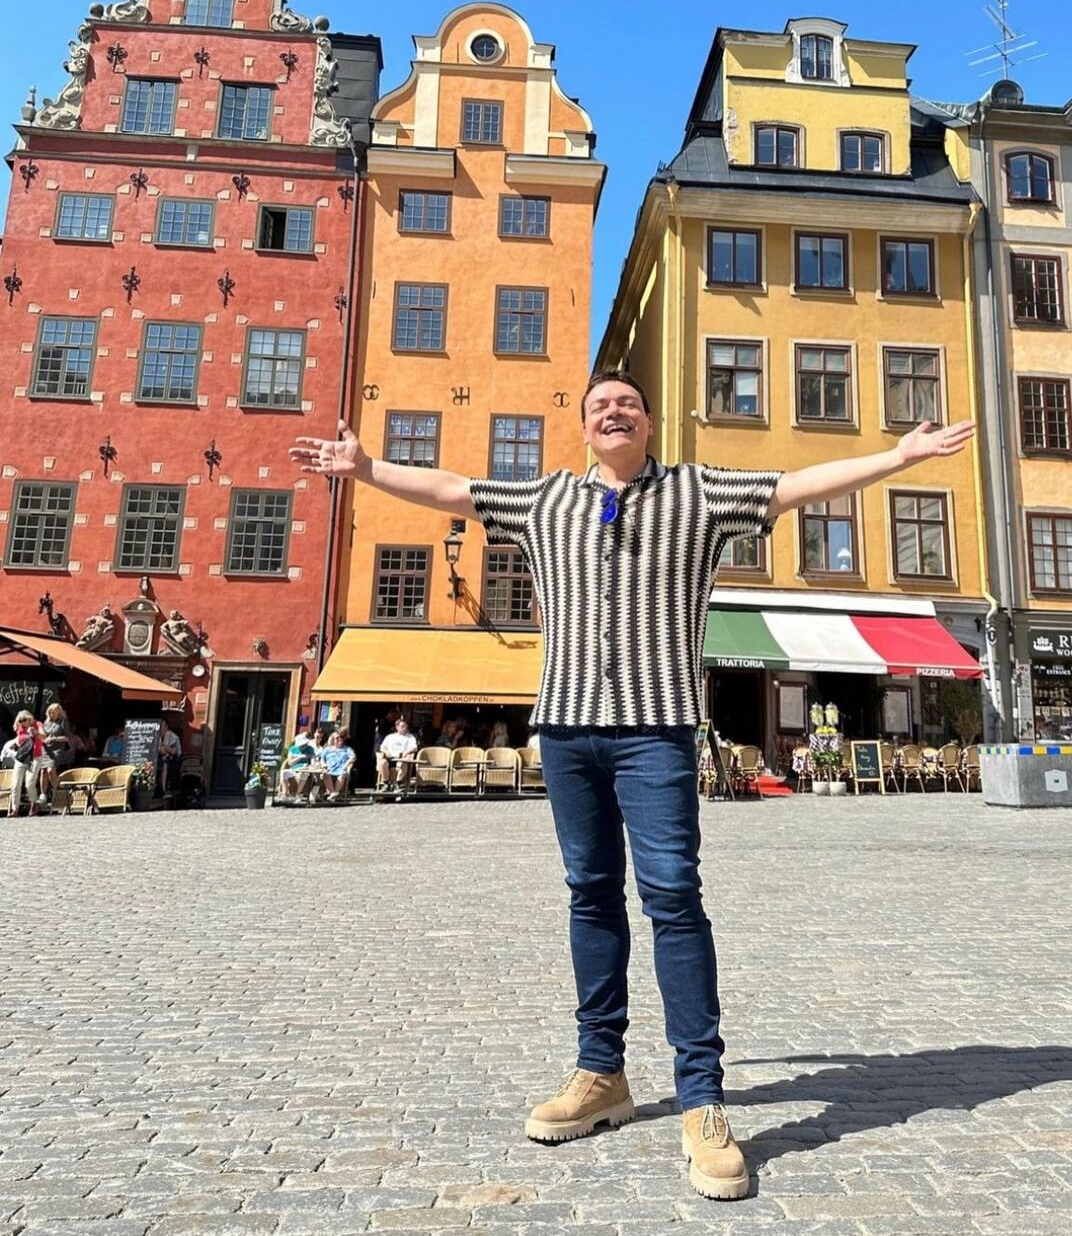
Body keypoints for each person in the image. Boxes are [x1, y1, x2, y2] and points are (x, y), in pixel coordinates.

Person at [290, 371, 974, 1201]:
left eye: (628, 404)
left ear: (649, 422)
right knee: (589, 894)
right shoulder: (545, 499)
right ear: (584, 428)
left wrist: (895, 458)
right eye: (599, 406)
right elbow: (450, 488)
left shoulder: (698, 493)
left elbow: (795, 484)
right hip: (569, 728)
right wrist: (366, 470)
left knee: (674, 899)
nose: (614, 412)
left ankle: (702, 1100)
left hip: (657, 729)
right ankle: (601, 1073)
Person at [376, 717, 418, 791]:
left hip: (402, 758)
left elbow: (415, 747)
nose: (404, 728)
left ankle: (398, 784)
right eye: (402, 726)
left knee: (403, 764)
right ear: (397, 727)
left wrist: (406, 753)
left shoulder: (410, 737)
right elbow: (382, 747)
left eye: (405, 726)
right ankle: (386, 783)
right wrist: (386, 752)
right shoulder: (390, 737)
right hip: (390, 757)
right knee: (382, 763)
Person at [280, 724, 318, 801]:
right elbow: (290, 763)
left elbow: (313, 759)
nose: (304, 746)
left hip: (305, 769)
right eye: (302, 745)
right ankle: (285, 793)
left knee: (303, 774)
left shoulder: (310, 749)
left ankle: (298, 794)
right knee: (283, 773)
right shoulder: (292, 749)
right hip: (294, 769)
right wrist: (300, 757)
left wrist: (312, 764)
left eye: (305, 744)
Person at [316, 729, 356, 802]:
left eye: (341, 737)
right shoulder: (328, 749)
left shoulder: (347, 749)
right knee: (325, 774)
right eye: (337, 738)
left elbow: (353, 757)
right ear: (333, 740)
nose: (339, 739)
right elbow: (321, 759)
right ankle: (333, 794)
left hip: (341, 768)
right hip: (329, 769)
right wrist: (324, 765)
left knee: (343, 773)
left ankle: (333, 795)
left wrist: (346, 764)